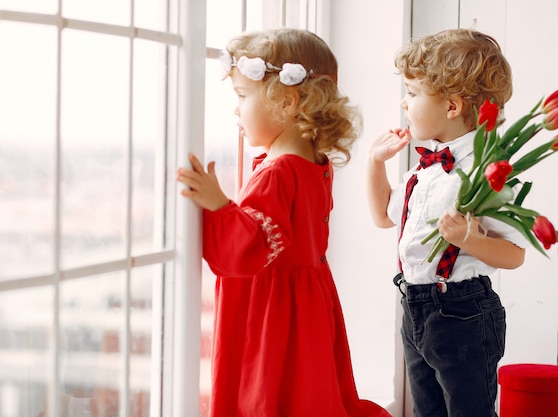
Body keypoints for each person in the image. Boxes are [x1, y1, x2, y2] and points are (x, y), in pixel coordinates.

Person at [177, 28, 391, 417]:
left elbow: (250, 247)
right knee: (305, 391)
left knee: (270, 392)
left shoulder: (278, 172)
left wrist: (218, 205)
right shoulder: (315, 164)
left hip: (273, 313)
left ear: (287, 101)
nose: (236, 110)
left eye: (243, 97)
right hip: (308, 303)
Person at [366, 29, 527, 417]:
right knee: (427, 410)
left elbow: (515, 254)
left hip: (463, 313)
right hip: (415, 307)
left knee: (469, 410)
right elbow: (382, 217)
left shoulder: (490, 170)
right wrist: (375, 163)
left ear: (452, 107)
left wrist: (469, 239)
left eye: (413, 92)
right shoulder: (424, 169)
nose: (404, 103)